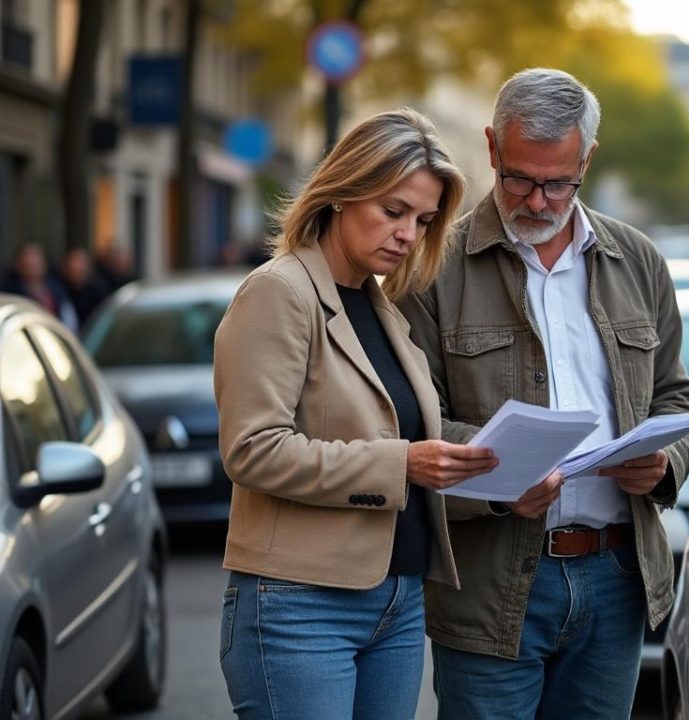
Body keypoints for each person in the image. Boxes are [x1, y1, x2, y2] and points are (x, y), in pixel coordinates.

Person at [398, 68, 689, 719]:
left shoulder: (638, 260)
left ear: (586, 159)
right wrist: (504, 481)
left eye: (558, 182)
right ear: (490, 148)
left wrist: (663, 463)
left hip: (616, 578)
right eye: (518, 179)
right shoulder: (431, 268)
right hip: (489, 585)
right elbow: (406, 426)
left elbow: (675, 395)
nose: (537, 201)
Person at [214, 108, 498, 720]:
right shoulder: (279, 291)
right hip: (299, 604)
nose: (407, 234)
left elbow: (404, 432)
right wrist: (403, 465)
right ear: (342, 194)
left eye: (422, 221)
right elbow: (252, 449)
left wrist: (495, 457)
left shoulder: (381, 304)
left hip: (397, 599)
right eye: (392, 211)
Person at [3, 243, 77, 329]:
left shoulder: (57, 289)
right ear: (19, 265)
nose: (33, 270)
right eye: (29, 265)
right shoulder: (11, 293)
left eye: (36, 264)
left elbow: (69, 320)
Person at [58, 247, 110, 328]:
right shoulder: (59, 291)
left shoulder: (97, 292)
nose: (77, 268)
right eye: (73, 269)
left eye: (80, 267)